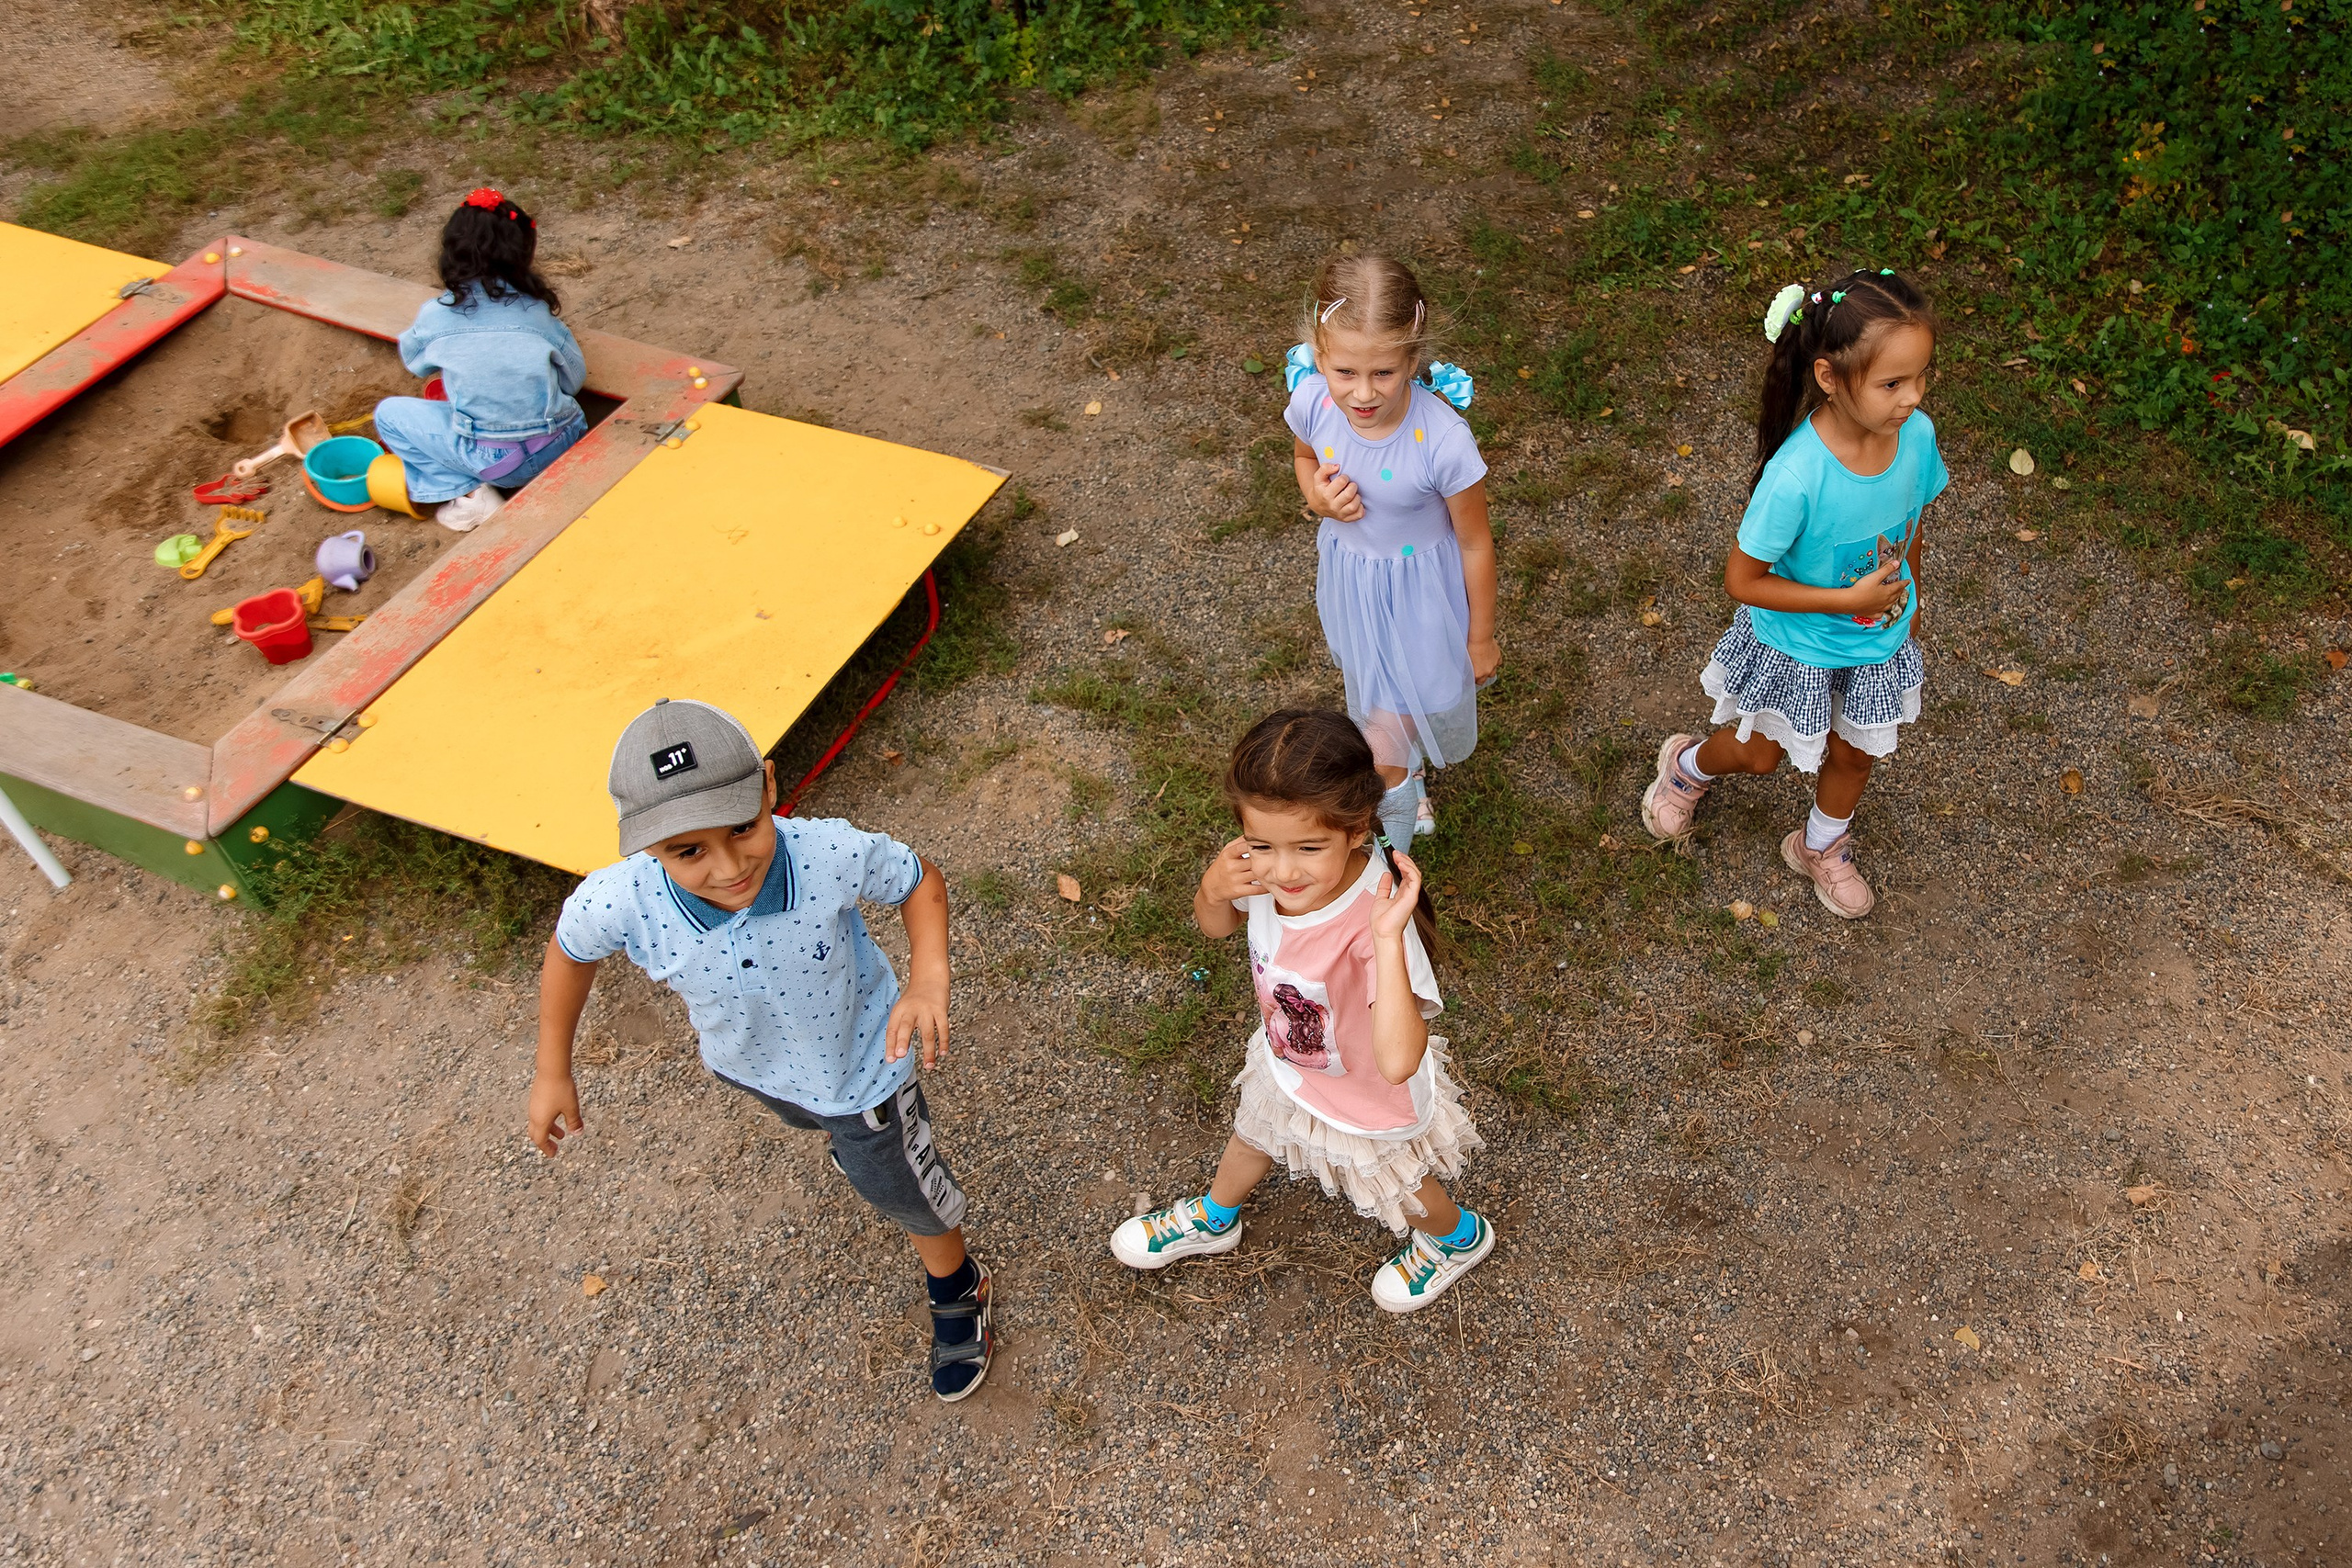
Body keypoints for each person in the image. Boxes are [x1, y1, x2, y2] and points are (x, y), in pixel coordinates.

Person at [527, 699, 992, 1402]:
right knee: (805, 1119)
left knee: (901, 1186)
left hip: (861, 1071)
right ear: (643, 845)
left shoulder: (827, 853)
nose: (727, 866)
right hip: (752, 1067)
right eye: (689, 850)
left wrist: (928, 977)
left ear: (769, 787)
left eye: (742, 827)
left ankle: (959, 1282)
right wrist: (550, 1068)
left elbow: (917, 879)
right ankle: (840, 1141)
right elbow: (568, 951)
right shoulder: (621, 901)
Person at [1109, 709, 1492, 1314]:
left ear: (1357, 829)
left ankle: (1456, 1238)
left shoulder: (1378, 917)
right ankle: (1216, 1217)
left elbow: (1397, 1060)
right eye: (1262, 844)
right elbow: (1215, 928)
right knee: (1253, 1130)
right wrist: (1212, 890)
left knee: (1400, 1183)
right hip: (1290, 1063)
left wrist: (1388, 942)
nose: (1283, 870)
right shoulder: (1260, 874)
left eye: (1309, 847)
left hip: (1367, 1097)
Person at [1640, 269, 1947, 919]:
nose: (1913, 398)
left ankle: (1820, 843)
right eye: (1893, 383)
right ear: (1830, 377)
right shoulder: (1796, 475)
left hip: (1875, 643)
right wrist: (1842, 602)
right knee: (1758, 754)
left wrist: (1909, 609)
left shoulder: (1915, 438)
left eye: (1921, 377)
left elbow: (1913, 519)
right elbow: (1743, 581)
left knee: (1855, 753)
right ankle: (1689, 764)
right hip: (1797, 646)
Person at [1283, 254, 1498, 851]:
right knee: (1377, 687)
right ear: (1320, 356)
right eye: (1345, 371)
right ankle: (1406, 764)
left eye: (1382, 372)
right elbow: (1305, 457)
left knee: (1384, 739)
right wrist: (1318, 500)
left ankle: (1389, 861)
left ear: (1412, 358)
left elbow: (1476, 542)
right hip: (1354, 583)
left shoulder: (1445, 443)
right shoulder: (1313, 402)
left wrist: (1480, 635)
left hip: (1421, 598)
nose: (1362, 392)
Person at [373, 188, 589, 532]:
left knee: (388, 415)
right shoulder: (538, 314)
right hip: (562, 441)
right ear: (522, 255)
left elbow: (416, 363)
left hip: (492, 461)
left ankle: (470, 496)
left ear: (451, 255)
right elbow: (573, 380)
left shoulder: (435, 317)